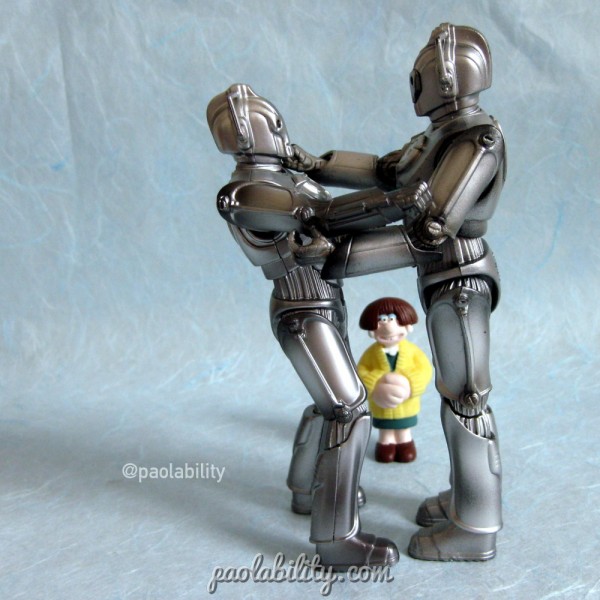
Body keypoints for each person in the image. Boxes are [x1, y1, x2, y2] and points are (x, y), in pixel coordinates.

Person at [287, 23, 506, 561]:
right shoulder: (442, 134)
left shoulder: (476, 140)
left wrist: (339, 244)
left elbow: (432, 224)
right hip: (441, 275)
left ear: (443, 79)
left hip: (459, 276)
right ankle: (464, 502)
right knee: (458, 396)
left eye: (421, 77)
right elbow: (386, 171)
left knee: (466, 397)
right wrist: (316, 164)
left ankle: (476, 527)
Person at [207, 83, 398, 569]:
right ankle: (337, 538)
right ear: (250, 133)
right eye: (272, 125)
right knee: (349, 410)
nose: (281, 132)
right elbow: (317, 216)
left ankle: (306, 489)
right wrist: (395, 203)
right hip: (301, 309)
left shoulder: (284, 181)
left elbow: (326, 225)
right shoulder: (247, 190)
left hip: (323, 301)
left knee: (330, 402)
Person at [357, 297, 432, 463]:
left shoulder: (413, 351)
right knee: (385, 430)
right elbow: (361, 370)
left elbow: (425, 369)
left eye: (392, 319)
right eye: (381, 320)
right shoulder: (371, 353)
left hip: (406, 405)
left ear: (407, 326)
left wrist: (411, 384)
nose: (388, 327)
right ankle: (385, 443)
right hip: (381, 406)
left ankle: (405, 443)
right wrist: (374, 385)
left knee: (403, 428)